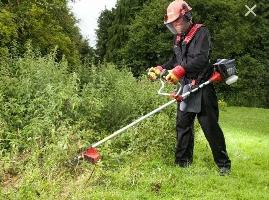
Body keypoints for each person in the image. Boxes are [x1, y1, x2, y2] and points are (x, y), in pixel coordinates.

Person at [148, 0, 231, 175]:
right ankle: (182, 163)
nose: (175, 26)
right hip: (186, 87)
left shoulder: (201, 32)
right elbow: (175, 60)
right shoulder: (178, 38)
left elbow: (201, 59)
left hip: (203, 86)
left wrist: (179, 70)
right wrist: (161, 68)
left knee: (210, 127)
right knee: (183, 125)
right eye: (172, 24)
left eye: (177, 22)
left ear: (186, 16)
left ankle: (223, 165)